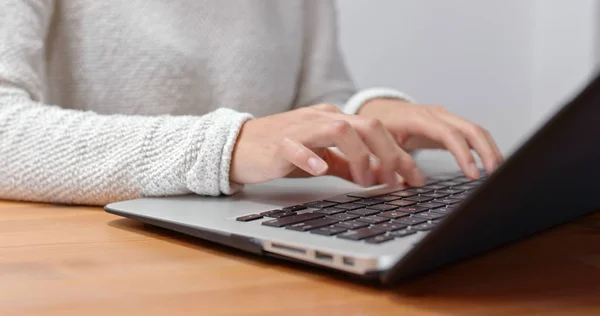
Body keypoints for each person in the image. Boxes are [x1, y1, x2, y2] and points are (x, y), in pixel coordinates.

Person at [0, 0, 503, 206]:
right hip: (99, 257)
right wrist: (228, 145)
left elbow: (314, 101)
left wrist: (367, 116)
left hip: (259, 236)